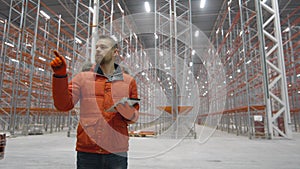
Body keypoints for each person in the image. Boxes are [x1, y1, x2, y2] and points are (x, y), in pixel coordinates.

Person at [50, 35, 139, 169]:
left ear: (115, 52)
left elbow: (134, 117)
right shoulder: (82, 79)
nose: (97, 50)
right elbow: (63, 105)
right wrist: (60, 75)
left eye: (103, 47)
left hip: (116, 152)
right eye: (96, 47)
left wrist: (127, 111)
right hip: (88, 150)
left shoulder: (128, 81)